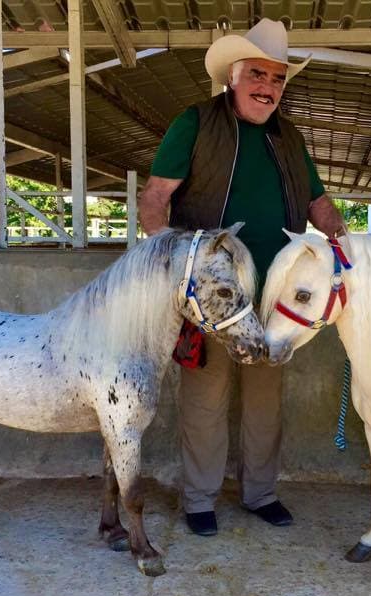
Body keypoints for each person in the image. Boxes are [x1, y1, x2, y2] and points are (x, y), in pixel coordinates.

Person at [138, 18, 345, 537]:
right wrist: (170, 268)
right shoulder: (195, 121)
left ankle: (260, 494)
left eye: (277, 79)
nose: (268, 87)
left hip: (275, 293)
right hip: (213, 292)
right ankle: (200, 499)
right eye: (258, 74)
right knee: (205, 397)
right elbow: (156, 198)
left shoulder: (290, 137)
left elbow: (319, 203)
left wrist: (345, 245)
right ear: (233, 75)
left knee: (265, 398)